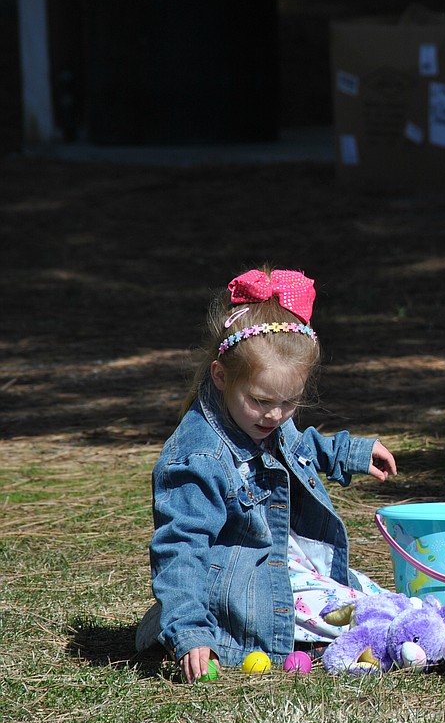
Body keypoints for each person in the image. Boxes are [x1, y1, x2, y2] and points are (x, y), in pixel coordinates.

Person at [135, 267, 398, 682]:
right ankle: (403, 637)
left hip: (275, 564)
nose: (275, 416)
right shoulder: (198, 457)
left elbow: (298, 445)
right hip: (241, 594)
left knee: (369, 595)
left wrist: (348, 452)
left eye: (290, 403)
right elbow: (180, 550)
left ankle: (412, 624)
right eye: (261, 401)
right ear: (221, 377)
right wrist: (189, 632)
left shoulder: (261, 418)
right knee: (350, 613)